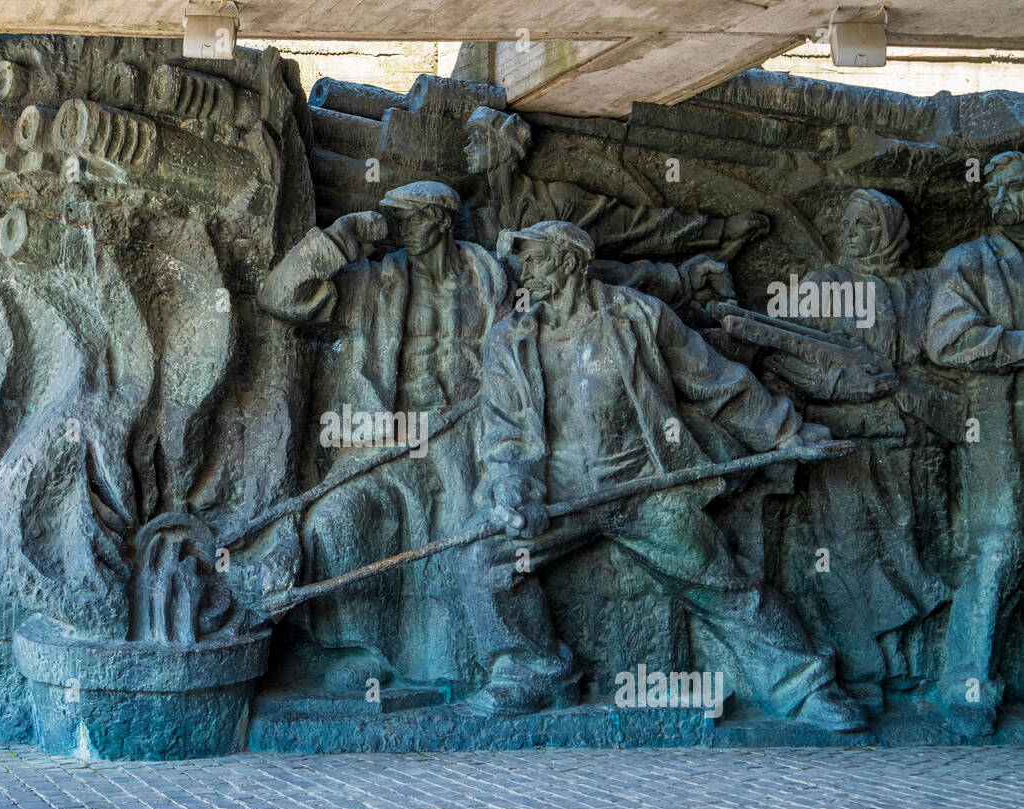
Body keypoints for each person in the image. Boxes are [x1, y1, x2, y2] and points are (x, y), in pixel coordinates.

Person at [460, 219, 865, 730]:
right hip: (559, 494)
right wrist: (511, 484)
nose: (522, 271)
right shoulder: (509, 339)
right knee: (482, 556)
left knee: (724, 582)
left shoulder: (639, 316)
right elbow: (505, 431)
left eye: (534, 258)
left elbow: (717, 381)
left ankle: (807, 688)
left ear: (570, 260)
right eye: (520, 260)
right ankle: (533, 671)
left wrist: (787, 434)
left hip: (641, 487)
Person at [258, 181, 508, 692]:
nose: (399, 229)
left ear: (440, 219)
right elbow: (279, 297)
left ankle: (470, 664)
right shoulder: (377, 282)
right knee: (332, 522)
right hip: (386, 439)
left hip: (467, 434)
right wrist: (340, 239)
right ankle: (358, 653)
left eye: (409, 218)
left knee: (470, 535)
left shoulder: (490, 279)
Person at [760, 189, 953, 711]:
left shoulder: (923, 288)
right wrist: (842, 385)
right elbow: (782, 360)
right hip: (845, 445)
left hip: (911, 446)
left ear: (892, 231)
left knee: (914, 550)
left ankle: (915, 668)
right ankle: (860, 670)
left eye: (866, 224)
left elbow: (946, 359)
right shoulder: (824, 286)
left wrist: (908, 390)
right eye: (847, 222)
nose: (852, 233)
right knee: (848, 557)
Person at [922, 151, 1024, 736]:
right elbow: (948, 341)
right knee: (1001, 546)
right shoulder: (970, 261)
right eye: (1007, 188)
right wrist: (1015, 344)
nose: (1015, 198)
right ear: (991, 199)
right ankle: (967, 681)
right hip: (996, 421)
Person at [461, 105, 769, 263]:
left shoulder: (557, 200)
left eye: (477, 140)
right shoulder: (472, 216)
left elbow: (637, 227)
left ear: (503, 150)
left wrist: (722, 230)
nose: (467, 148)